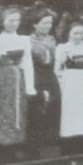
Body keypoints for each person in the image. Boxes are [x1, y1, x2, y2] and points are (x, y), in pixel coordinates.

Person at [0, 6, 36, 148]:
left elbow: (27, 63)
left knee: (19, 108)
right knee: (4, 109)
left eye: (17, 20)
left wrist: (30, 87)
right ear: (3, 21)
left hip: (18, 79)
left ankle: (17, 142)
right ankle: (3, 143)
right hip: (2, 78)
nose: (14, 23)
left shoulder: (23, 40)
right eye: (10, 20)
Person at [55, 21, 83, 143]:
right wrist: (61, 82)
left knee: (82, 109)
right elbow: (57, 68)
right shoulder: (62, 48)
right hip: (69, 79)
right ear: (69, 33)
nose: (78, 36)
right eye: (75, 33)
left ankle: (82, 137)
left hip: (82, 79)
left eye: (81, 33)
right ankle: (68, 138)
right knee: (70, 109)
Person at [27, 10, 61, 145]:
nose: (48, 26)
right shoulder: (29, 40)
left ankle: (49, 141)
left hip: (50, 74)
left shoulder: (52, 39)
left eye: (50, 23)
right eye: (44, 23)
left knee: (53, 104)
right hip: (37, 74)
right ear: (35, 25)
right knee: (37, 106)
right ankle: (34, 143)